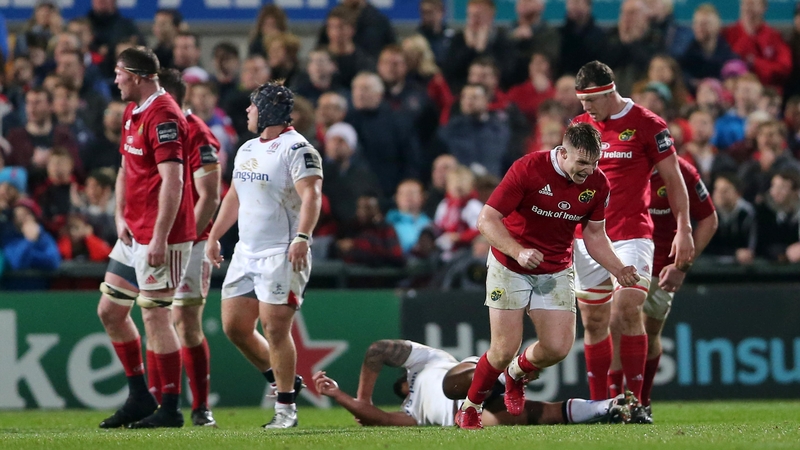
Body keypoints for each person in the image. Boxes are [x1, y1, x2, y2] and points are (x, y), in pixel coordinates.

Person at [455, 123, 640, 430]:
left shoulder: (598, 183)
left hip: (556, 267)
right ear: (563, 152)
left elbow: (595, 235)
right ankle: (470, 408)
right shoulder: (528, 169)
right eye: (582, 162)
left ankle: (515, 374)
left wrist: (618, 268)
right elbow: (487, 220)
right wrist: (518, 251)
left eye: (594, 163)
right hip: (510, 265)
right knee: (503, 349)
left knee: (557, 348)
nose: (588, 170)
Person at [571, 61, 694, 423]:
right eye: (581, 101)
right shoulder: (579, 126)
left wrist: (684, 228)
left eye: (591, 100)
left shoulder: (647, 123)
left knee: (627, 307)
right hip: (587, 237)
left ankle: (636, 402)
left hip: (631, 233)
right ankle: (599, 406)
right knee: (594, 320)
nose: (586, 107)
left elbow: (673, 179)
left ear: (609, 92)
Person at [206, 82, 323, 429]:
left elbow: (312, 195)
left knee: (275, 328)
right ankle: (283, 378)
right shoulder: (246, 148)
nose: (247, 111)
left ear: (268, 110)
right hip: (246, 252)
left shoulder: (298, 149)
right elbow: (234, 196)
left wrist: (303, 236)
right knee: (235, 327)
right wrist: (214, 235)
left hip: (281, 253)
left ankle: (286, 409)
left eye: (253, 105)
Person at [96, 46, 196, 429]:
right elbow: (126, 167)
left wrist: (159, 237)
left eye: (119, 73)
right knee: (110, 311)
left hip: (162, 235)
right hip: (134, 230)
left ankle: (170, 408)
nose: (116, 80)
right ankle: (140, 396)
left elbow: (173, 181)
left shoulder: (165, 115)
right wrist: (120, 214)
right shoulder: (132, 111)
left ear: (136, 77)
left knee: (155, 315)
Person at [607, 158, 717, 417]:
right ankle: (614, 401)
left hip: (661, 268)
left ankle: (642, 400)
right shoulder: (620, 164)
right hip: (621, 259)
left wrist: (682, 266)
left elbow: (709, 219)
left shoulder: (683, 172)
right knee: (616, 323)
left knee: (650, 331)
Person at [315, 339, 633, 427]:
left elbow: (378, 350)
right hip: (466, 414)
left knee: (452, 385)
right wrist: (339, 395)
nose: (402, 390)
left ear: (404, 382)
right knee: (538, 414)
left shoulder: (428, 362)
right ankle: (610, 406)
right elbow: (379, 419)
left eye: (401, 386)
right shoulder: (411, 413)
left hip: (464, 381)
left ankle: (506, 373)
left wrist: (362, 399)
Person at [156, 68, 222, 427]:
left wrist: (185, 239)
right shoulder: (151, 125)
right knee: (155, 317)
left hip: (190, 243)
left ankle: (200, 407)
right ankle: (158, 402)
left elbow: (210, 196)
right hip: (156, 237)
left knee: (185, 321)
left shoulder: (198, 133)